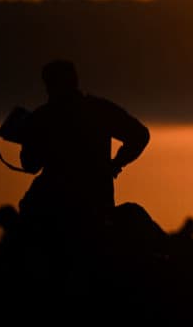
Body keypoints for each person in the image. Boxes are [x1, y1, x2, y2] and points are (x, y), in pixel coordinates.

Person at [12, 59, 150, 246]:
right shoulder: (98, 110)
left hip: (52, 207)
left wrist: (25, 137)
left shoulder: (43, 117)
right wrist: (116, 164)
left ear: (49, 85)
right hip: (96, 203)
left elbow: (30, 164)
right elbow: (140, 134)